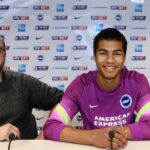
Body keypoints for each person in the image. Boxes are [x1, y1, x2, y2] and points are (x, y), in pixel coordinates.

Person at [43, 28, 150, 149]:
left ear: (124, 57)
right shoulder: (81, 86)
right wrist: (93, 137)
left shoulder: (137, 81)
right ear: (94, 56)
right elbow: (51, 126)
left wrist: (117, 133)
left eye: (117, 53)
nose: (110, 60)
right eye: (103, 53)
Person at [0, 36, 63, 141]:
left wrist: (47, 133)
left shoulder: (21, 82)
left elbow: (62, 100)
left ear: (5, 55)